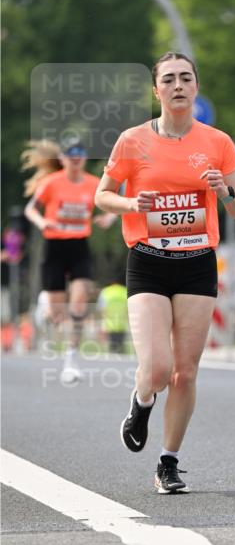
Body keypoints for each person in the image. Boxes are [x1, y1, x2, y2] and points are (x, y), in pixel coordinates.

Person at [95, 52, 235, 494]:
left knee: (186, 371)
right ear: (156, 90)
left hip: (198, 261)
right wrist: (130, 204)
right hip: (148, 259)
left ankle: (168, 461)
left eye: (186, 78)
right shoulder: (132, 141)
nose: (178, 85)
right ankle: (141, 402)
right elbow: (102, 195)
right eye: (170, 79)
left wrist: (224, 191)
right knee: (158, 368)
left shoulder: (217, 142)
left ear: (196, 87)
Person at [23, 137, 116, 383]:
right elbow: (30, 209)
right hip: (54, 247)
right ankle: (46, 303)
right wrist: (43, 222)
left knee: (78, 305)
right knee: (57, 313)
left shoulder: (94, 184)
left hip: (79, 247)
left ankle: (71, 359)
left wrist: (109, 218)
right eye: (70, 155)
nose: (76, 159)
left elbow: (114, 201)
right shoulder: (51, 183)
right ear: (63, 159)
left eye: (80, 154)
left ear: (84, 158)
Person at [98, 278, 129, 353]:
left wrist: (103, 325)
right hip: (122, 324)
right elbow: (129, 309)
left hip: (109, 325)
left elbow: (102, 309)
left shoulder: (105, 291)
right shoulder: (125, 291)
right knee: (121, 348)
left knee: (112, 350)